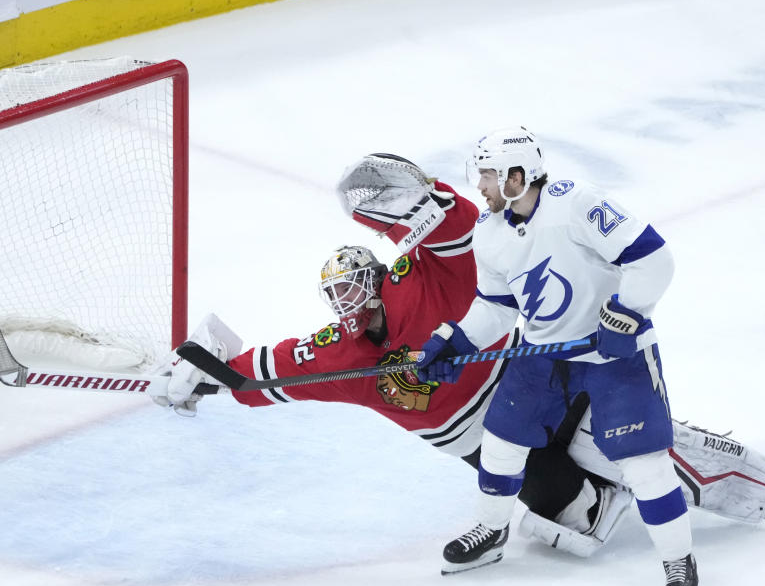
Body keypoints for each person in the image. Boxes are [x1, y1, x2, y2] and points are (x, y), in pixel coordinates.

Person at [157, 153, 634, 558]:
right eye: (334, 295)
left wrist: (427, 201)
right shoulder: (340, 353)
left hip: (520, 380)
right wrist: (211, 375)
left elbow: (461, 237)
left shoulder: (417, 279)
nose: (344, 303)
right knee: (582, 511)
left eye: (350, 288)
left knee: (626, 441)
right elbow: (269, 371)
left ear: (376, 279)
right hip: (471, 438)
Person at [415, 126, 699, 586]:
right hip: (543, 354)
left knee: (643, 464)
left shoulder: (578, 205)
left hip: (616, 355)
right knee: (501, 442)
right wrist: (456, 339)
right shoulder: (489, 233)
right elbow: (498, 307)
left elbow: (654, 260)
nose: (478, 186)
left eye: (487, 175)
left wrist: (627, 312)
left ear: (518, 176)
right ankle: (492, 529)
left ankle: (679, 562)